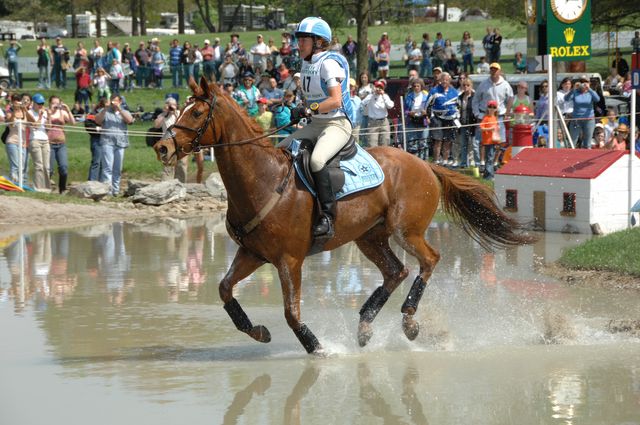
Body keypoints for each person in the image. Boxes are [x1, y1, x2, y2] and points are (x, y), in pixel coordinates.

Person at [277, 17, 356, 238]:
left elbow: (335, 101)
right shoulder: (307, 63)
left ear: (319, 42)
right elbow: (313, 98)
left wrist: (309, 108)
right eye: (299, 40)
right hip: (316, 123)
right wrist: (300, 108)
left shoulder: (329, 63)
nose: (299, 44)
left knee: (317, 160)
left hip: (337, 124)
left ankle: (328, 217)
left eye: (304, 40)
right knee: (281, 149)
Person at [472, 62, 514, 167]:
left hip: (499, 116)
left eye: (496, 69)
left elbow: (511, 98)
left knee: (500, 141)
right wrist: (477, 114)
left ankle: (494, 162)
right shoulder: (483, 84)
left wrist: (507, 113)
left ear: (499, 71)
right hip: (485, 116)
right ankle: (482, 162)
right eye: (492, 69)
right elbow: (476, 99)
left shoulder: (505, 84)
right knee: (483, 141)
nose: (493, 71)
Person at [94, 94, 134, 196]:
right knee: (107, 168)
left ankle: (115, 191)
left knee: (117, 168)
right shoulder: (105, 111)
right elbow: (97, 120)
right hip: (107, 142)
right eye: (112, 101)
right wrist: (105, 109)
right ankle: (107, 191)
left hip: (120, 143)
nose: (114, 103)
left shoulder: (124, 112)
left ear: (120, 102)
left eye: (116, 101)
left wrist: (119, 109)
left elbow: (130, 121)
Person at [425, 72, 459, 165]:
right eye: (443, 80)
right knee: (438, 140)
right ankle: (436, 160)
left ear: (450, 81)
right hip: (437, 118)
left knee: (448, 141)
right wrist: (428, 117)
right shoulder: (434, 91)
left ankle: (445, 160)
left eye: (447, 80)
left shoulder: (454, 92)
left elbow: (458, 105)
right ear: (440, 81)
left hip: (450, 118)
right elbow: (427, 105)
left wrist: (457, 117)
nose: (444, 81)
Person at [47, 95, 75, 194]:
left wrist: (68, 110)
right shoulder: (46, 112)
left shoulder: (62, 112)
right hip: (49, 143)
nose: (55, 105)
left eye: (57, 103)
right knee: (49, 169)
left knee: (63, 167)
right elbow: (48, 126)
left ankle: (62, 188)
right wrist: (50, 114)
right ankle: (47, 187)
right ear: (49, 103)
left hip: (61, 143)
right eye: (53, 103)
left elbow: (73, 123)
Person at [155, 96, 187, 182]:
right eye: (170, 105)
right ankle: (166, 185)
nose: (172, 107)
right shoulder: (162, 115)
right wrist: (166, 113)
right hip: (167, 143)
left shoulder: (180, 113)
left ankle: (181, 185)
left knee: (182, 165)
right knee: (168, 165)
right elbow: (156, 125)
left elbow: (184, 125)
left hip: (180, 143)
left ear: (176, 106)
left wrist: (175, 114)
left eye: (174, 105)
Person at [564, 75, 600, 149]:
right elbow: (566, 99)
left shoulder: (591, 92)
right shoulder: (575, 92)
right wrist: (573, 89)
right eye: (582, 82)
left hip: (589, 119)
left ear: (589, 83)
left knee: (587, 143)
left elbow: (597, 99)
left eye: (586, 82)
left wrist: (589, 88)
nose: (584, 84)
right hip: (576, 120)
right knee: (572, 142)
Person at [27, 93, 51, 191]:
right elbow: (35, 126)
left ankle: (46, 187)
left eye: (42, 103)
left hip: (45, 140)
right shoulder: (29, 112)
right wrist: (40, 117)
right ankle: (38, 187)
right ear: (34, 103)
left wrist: (48, 116)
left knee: (46, 166)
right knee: (39, 165)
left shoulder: (44, 112)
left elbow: (48, 128)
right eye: (38, 103)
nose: (41, 105)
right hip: (35, 140)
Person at [4, 94, 29, 185]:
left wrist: (25, 108)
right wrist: (14, 110)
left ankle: (15, 183)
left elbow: (32, 122)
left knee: (22, 166)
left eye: (18, 100)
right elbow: (10, 123)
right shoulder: (9, 111)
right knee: (15, 166)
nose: (17, 102)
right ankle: (13, 184)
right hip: (12, 141)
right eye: (15, 100)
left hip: (22, 142)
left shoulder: (24, 112)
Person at [362, 80, 394, 147]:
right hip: (373, 122)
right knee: (372, 144)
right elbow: (363, 103)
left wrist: (383, 95)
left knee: (385, 143)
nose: (378, 89)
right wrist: (372, 94)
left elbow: (390, 106)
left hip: (384, 122)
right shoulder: (370, 96)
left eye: (380, 88)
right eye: (377, 87)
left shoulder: (385, 96)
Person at [404, 78, 429, 159]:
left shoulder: (426, 96)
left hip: (423, 120)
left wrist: (426, 113)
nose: (416, 88)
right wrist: (409, 113)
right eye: (414, 86)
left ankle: (424, 161)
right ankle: (413, 160)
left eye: (418, 86)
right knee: (412, 143)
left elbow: (430, 109)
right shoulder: (409, 96)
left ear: (421, 87)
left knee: (423, 143)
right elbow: (404, 110)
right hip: (411, 120)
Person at [457, 77, 479, 168]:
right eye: (464, 85)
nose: (465, 87)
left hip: (473, 124)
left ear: (471, 86)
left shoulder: (475, 96)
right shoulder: (460, 97)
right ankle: (463, 163)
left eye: (468, 85)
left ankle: (478, 164)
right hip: (463, 124)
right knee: (463, 145)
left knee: (474, 145)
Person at [85, 97, 106, 181]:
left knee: (103, 163)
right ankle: (92, 181)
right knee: (96, 161)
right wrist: (97, 129)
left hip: (106, 141)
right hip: (96, 140)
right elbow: (88, 124)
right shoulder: (93, 113)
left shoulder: (109, 113)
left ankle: (101, 182)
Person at [480, 100, 500, 180]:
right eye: (490, 107)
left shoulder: (495, 118)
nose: (491, 109)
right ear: (487, 108)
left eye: (494, 107)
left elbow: (495, 129)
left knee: (490, 157)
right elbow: (481, 128)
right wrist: (490, 128)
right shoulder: (486, 118)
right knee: (490, 158)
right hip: (487, 141)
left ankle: (487, 174)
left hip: (493, 141)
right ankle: (489, 175)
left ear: (496, 109)